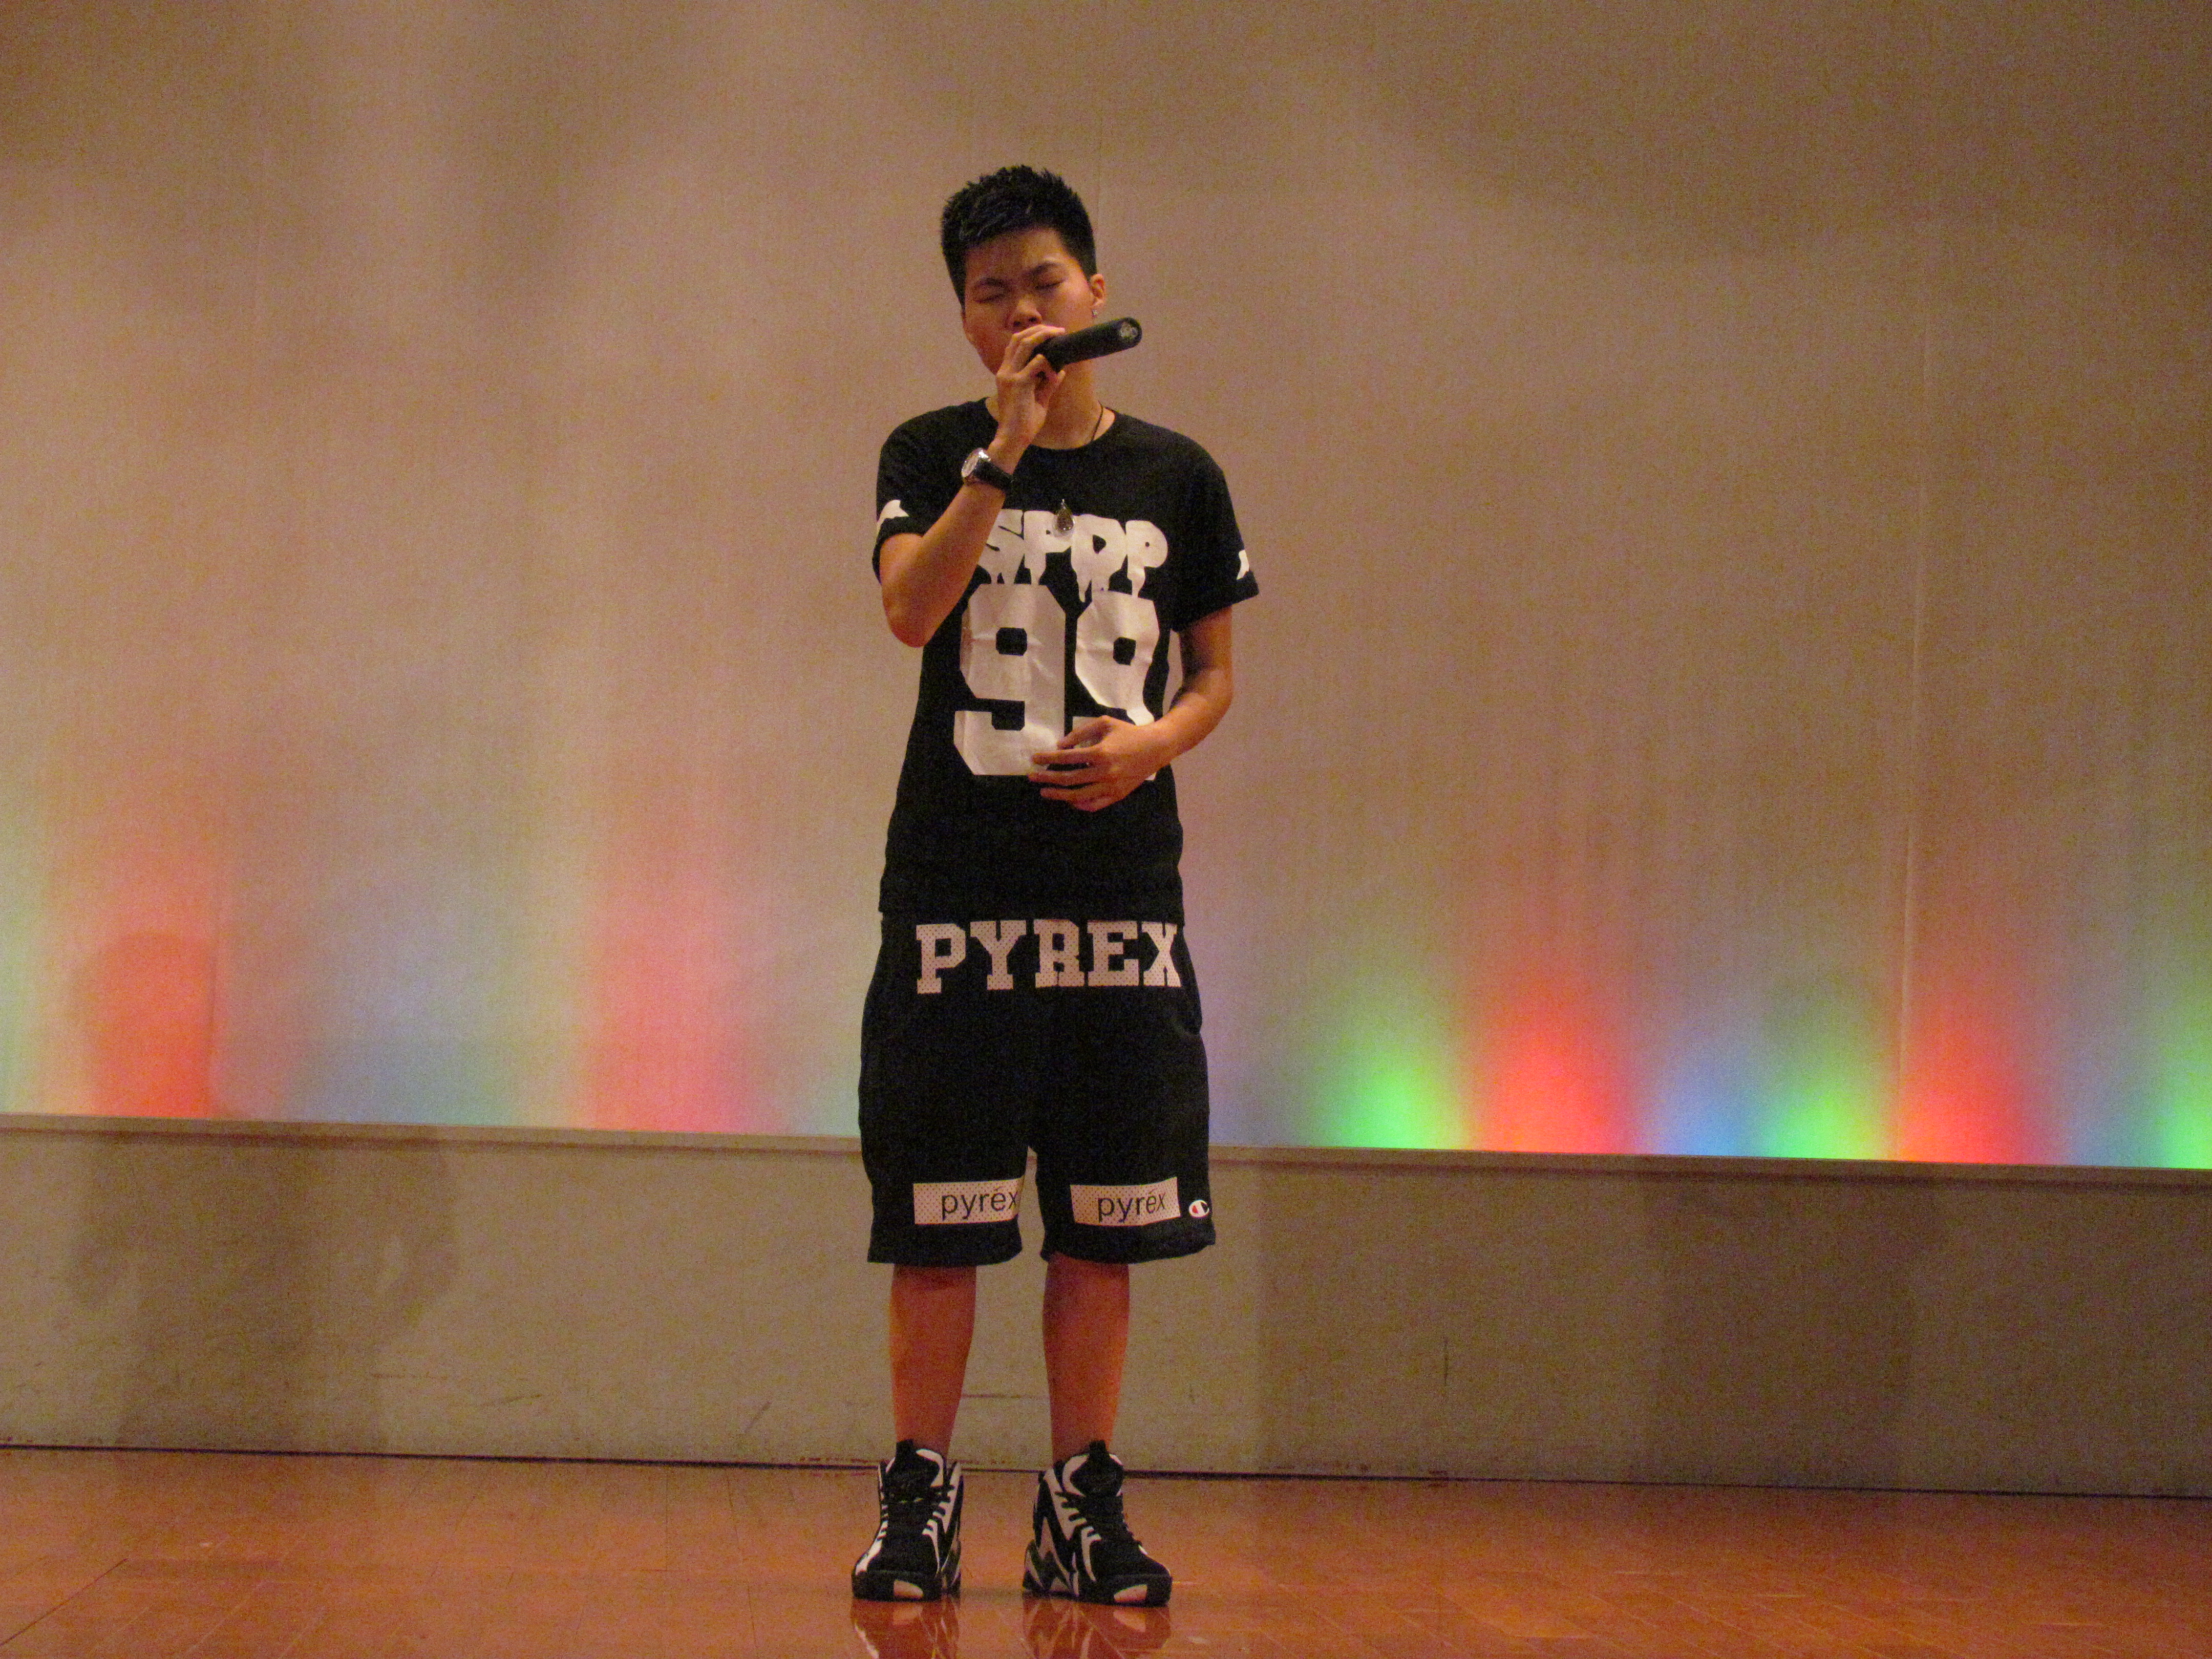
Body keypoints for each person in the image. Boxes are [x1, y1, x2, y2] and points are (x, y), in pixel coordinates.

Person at [851, 164, 1257, 1607]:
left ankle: (1081, 1503)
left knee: (1106, 1227)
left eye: (1044, 280)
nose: (1023, 307)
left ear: (1095, 288)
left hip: (1120, 905)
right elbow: (911, 610)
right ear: (965, 318)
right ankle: (920, 1498)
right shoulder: (929, 449)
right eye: (991, 291)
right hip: (957, 898)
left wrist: (1152, 745)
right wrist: (1005, 450)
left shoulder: (1178, 475)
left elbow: (1213, 677)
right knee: (939, 1221)